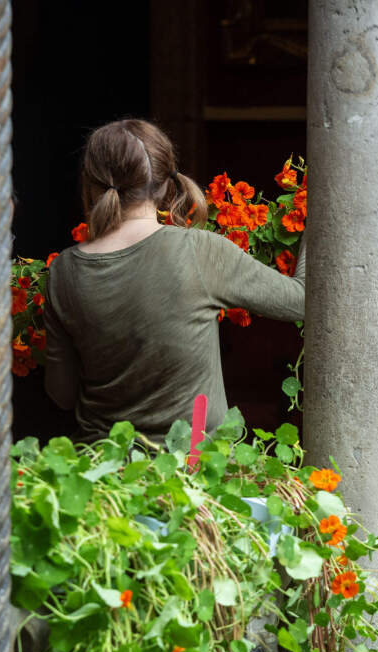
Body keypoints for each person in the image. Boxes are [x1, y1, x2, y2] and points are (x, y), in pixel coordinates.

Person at [44, 119, 305, 441]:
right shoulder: (200, 250)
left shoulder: (63, 271)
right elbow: (303, 301)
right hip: (193, 477)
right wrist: (315, 214)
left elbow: (63, 395)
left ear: (91, 184)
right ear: (168, 184)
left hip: (103, 475)